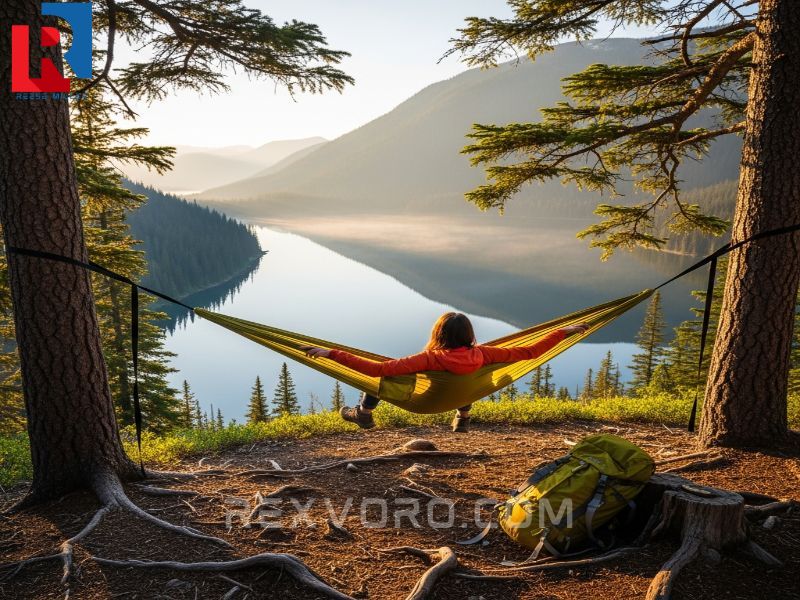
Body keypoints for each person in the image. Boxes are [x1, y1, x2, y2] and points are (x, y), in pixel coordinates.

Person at [303, 312, 589, 433]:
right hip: (458, 398)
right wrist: (561, 332)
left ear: (438, 333)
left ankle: (363, 415)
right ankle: (463, 419)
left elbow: (377, 368)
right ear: (469, 333)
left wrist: (331, 353)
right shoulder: (484, 354)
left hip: (426, 404)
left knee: (384, 377)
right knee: (472, 379)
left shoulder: (430, 359)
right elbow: (531, 351)